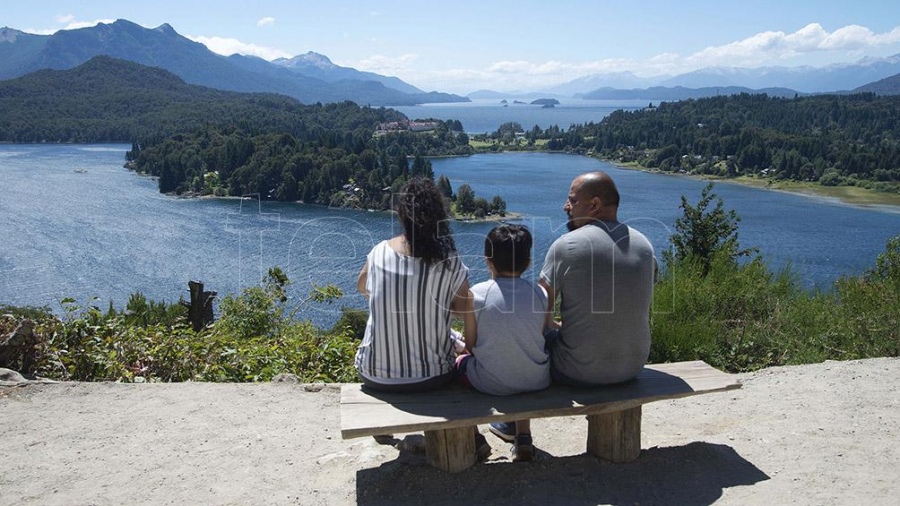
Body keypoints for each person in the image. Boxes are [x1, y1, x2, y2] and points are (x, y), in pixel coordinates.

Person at [490, 171, 657, 441]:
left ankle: (517, 430)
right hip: (632, 366)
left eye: (571, 200)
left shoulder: (567, 246)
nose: (565, 206)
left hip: (579, 372)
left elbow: (537, 314)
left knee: (524, 341)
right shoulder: (645, 245)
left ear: (593, 205)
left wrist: (555, 327)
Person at [354, 177, 476, 393]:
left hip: (374, 373)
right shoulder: (449, 260)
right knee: (458, 349)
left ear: (401, 214)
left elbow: (362, 286)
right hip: (434, 375)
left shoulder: (378, 252)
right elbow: (465, 307)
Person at [454, 224, 551, 462]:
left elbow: (470, 345)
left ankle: (474, 437)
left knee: (457, 363)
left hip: (492, 384)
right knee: (519, 358)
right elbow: (538, 336)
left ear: (489, 261)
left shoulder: (477, 294)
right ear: (528, 262)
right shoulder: (540, 293)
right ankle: (523, 436)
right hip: (536, 380)